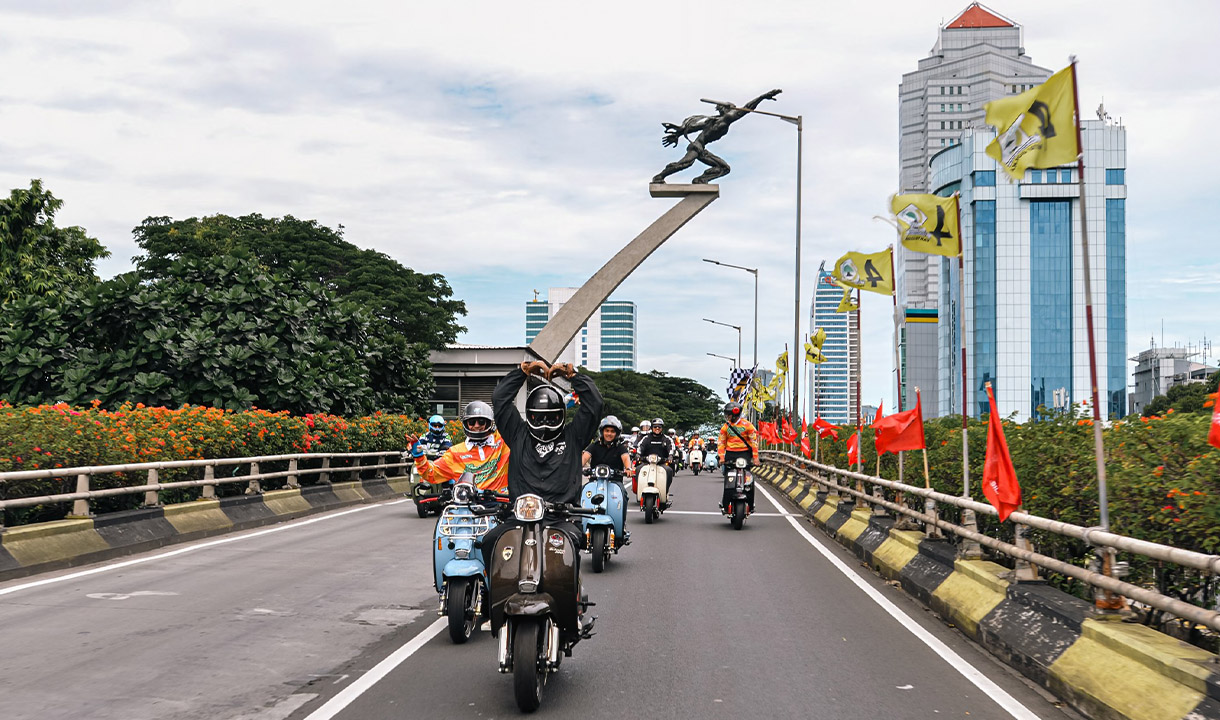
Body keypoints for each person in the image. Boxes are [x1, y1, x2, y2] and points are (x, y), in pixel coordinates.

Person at [408, 401, 509, 493]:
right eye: (472, 422)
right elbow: (430, 474)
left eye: (482, 421)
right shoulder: (455, 453)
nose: (477, 426)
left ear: (489, 422)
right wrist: (418, 455)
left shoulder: (503, 442)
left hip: (501, 505)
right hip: (468, 506)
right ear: (466, 424)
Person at [582, 415, 633, 543]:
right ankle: (579, 525)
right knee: (581, 494)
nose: (609, 434)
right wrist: (577, 466)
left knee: (624, 496)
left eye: (612, 431)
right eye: (607, 430)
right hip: (595, 481)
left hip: (615, 481)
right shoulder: (595, 445)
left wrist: (628, 469)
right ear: (602, 431)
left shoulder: (620, 447)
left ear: (616, 433)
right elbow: (585, 457)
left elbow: (626, 458)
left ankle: (622, 526)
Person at [718, 402, 759, 511]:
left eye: (729, 415)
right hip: (730, 454)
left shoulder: (748, 425)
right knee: (729, 478)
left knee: (749, 479)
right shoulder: (725, 427)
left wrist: (755, 458)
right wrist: (722, 457)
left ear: (735, 414)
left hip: (744, 454)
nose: (727, 417)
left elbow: (754, 442)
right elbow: (721, 443)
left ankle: (750, 504)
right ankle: (725, 503)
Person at [636, 417, 675, 495]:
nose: (657, 428)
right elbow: (640, 447)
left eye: (659, 427)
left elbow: (671, 447)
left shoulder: (667, 439)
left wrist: (670, 456)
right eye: (655, 427)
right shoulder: (646, 438)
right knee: (638, 470)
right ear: (652, 428)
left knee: (669, 471)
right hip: (646, 462)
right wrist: (638, 454)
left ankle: (665, 491)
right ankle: (640, 491)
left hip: (662, 462)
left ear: (662, 428)